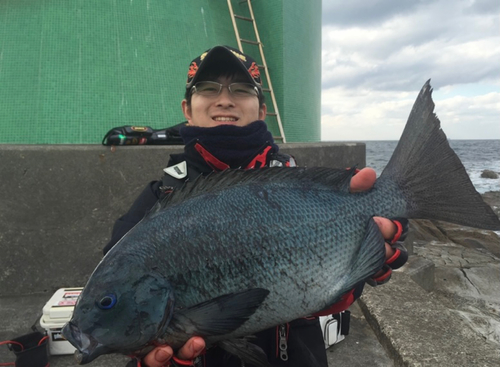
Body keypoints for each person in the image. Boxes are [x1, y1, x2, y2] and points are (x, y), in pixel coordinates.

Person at [104, 45, 408, 367]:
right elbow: (121, 298)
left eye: (241, 89)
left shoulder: (298, 187)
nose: (224, 99)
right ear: (187, 109)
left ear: (262, 110)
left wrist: (365, 262)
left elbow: (329, 294)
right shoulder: (157, 200)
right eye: (208, 88)